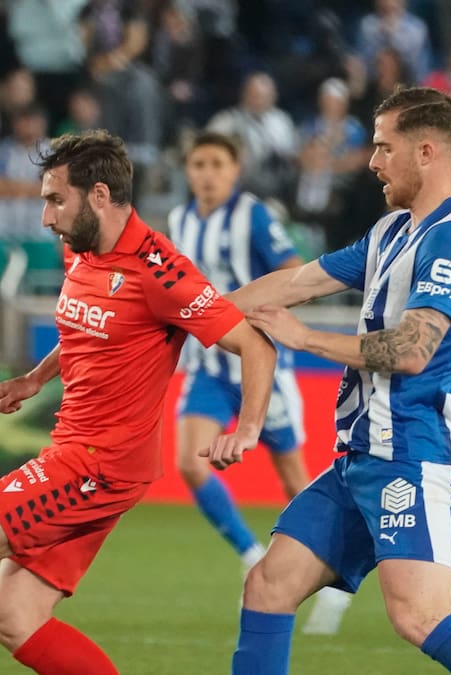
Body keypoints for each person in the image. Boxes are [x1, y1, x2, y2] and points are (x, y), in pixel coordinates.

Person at [0, 130, 278, 675]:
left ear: (99, 196)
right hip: (80, 456)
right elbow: (93, 326)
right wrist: (35, 378)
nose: (46, 218)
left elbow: (253, 346)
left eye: (55, 200)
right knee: (15, 618)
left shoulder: (159, 270)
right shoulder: (83, 252)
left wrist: (246, 428)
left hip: (98, 466)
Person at [222, 86, 451, 674]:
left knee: (419, 616)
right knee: (268, 586)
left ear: (427, 152)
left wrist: (303, 339)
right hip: (361, 456)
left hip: (416, 452)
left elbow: (413, 351)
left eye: (385, 147)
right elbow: (294, 284)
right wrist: (187, 318)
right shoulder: (391, 232)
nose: (372, 161)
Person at [167, 131, 355, 634]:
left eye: (216, 164)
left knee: (296, 482)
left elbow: (294, 271)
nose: (206, 173)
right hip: (208, 368)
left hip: (260, 369)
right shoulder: (179, 220)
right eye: (198, 164)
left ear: (234, 170)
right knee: (189, 461)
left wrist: (261, 316)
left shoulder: (252, 215)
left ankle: (336, 588)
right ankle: (251, 551)